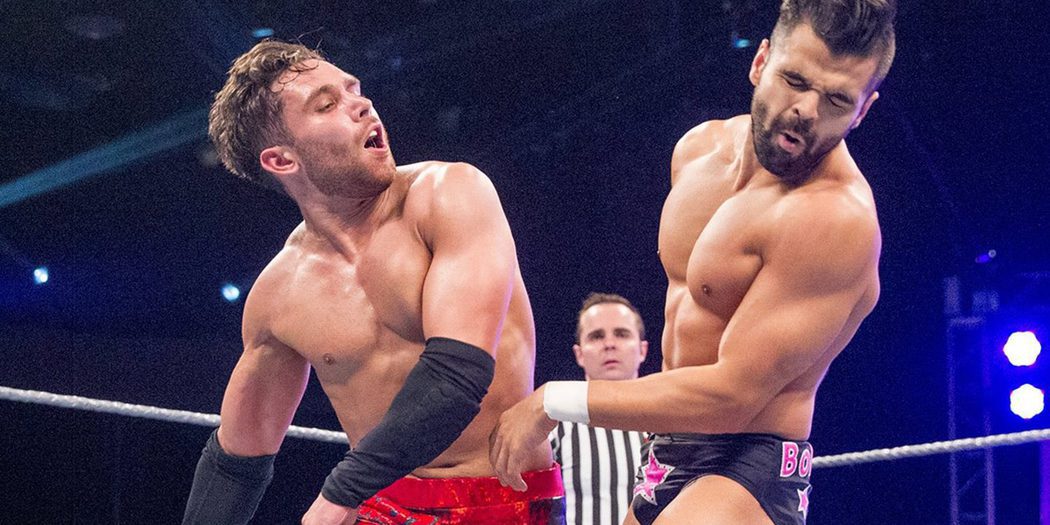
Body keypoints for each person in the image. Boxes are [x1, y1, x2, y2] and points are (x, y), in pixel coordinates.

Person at [490, 1, 896, 523]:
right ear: (760, 62)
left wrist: (552, 400)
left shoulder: (835, 218)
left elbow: (733, 395)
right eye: (795, 80)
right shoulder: (698, 151)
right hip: (663, 452)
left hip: (747, 462)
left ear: (862, 111)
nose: (807, 110)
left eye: (837, 100)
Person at [182, 40, 561, 525]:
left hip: (503, 501)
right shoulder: (278, 296)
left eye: (354, 90)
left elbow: (458, 374)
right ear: (282, 160)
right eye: (327, 104)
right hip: (383, 505)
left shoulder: (449, 195)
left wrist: (339, 494)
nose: (361, 105)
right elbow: (235, 464)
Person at [551, 293, 649, 525]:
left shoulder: (670, 425)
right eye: (597, 336)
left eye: (621, 334)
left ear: (642, 350)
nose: (609, 344)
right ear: (579, 354)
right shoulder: (554, 426)